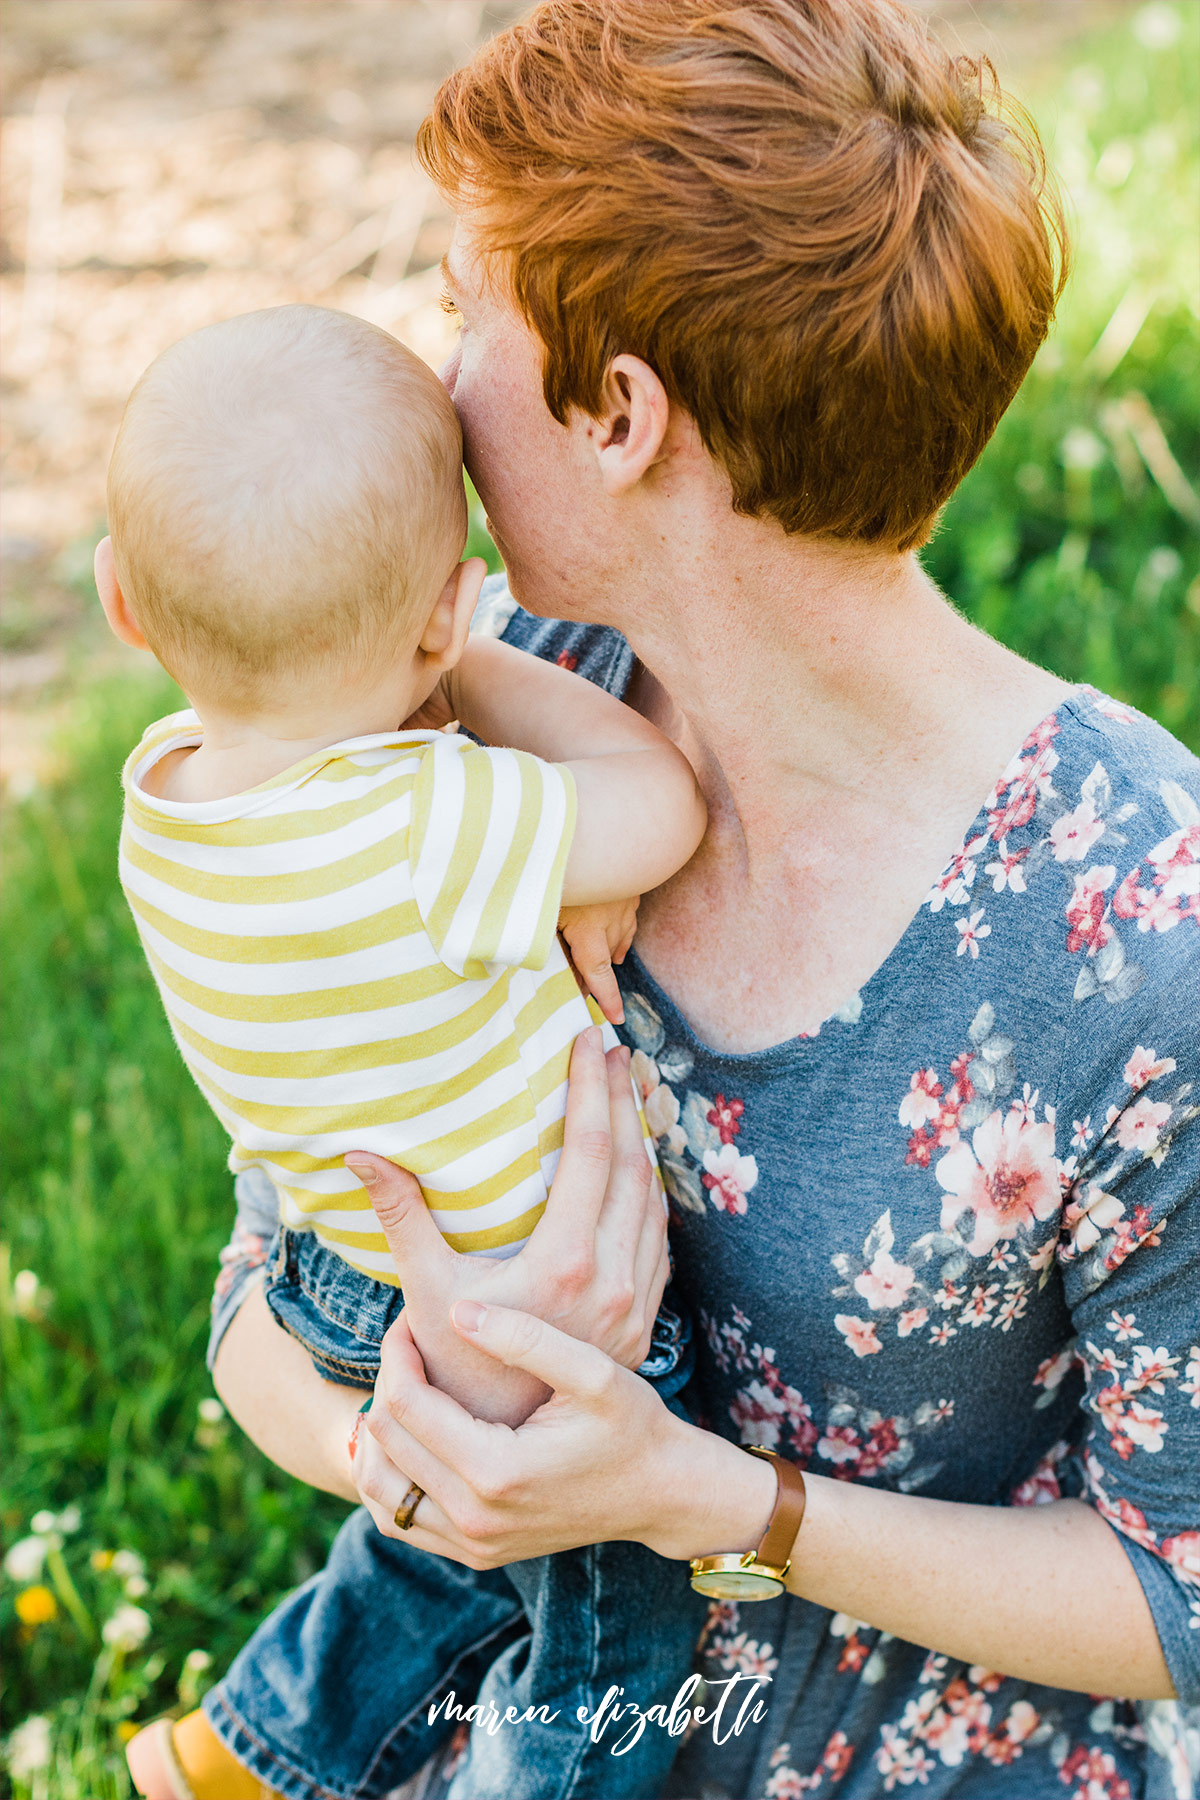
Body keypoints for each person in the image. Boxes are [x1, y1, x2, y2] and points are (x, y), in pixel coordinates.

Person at [206, 1, 1200, 1796]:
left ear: (618, 412)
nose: (427, 387)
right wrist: (416, 1464)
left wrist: (701, 1505)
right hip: (500, 1721)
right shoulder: (479, 709)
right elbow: (268, 1272)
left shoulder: (1138, 931)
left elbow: (1182, 1585)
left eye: (460, 308)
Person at [95, 304, 713, 1800]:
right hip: (537, 1311)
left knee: (448, 1565)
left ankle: (261, 1750)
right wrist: (482, 662)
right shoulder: (424, 819)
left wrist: (423, 647)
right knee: (610, 1657)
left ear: (121, 606)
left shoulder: (161, 808)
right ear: (441, 614)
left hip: (343, 1283)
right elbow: (659, 805)